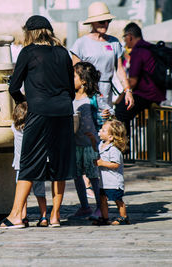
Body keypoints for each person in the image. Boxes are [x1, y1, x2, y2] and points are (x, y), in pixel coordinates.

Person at [0, 15, 76, 229]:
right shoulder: (62, 52)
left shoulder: (28, 52)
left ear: (29, 32)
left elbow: (14, 86)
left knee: (29, 163)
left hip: (39, 111)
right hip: (63, 111)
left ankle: (15, 215)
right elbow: (71, 87)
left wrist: (25, 101)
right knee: (59, 165)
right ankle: (55, 216)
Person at [70, 2, 134, 125]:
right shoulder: (80, 44)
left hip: (106, 94)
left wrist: (128, 91)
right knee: (88, 130)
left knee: (107, 128)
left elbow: (120, 70)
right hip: (87, 95)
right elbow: (75, 75)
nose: (105, 24)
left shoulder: (114, 42)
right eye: (102, 21)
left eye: (108, 21)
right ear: (92, 22)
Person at [115, 22, 166, 138]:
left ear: (130, 36)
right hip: (159, 94)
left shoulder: (138, 52)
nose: (125, 41)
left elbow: (133, 81)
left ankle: (123, 148)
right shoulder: (149, 48)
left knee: (121, 111)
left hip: (146, 95)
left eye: (124, 37)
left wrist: (120, 97)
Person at [72, 62, 103, 220]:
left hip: (91, 144)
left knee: (93, 177)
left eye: (74, 76)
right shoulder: (70, 96)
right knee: (77, 176)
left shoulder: (93, 98)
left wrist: (106, 116)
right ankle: (84, 206)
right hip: (75, 143)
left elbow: (105, 115)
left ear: (83, 80)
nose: (71, 78)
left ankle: (100, 206)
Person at [11, 102, 47, 227]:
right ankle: (43, 217)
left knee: (22, 194)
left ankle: (22, 217)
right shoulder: (34, 128)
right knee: (40, 193)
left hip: (20, 166)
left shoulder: (14, 127)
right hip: (36, 164)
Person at [93, 119, 130, 225]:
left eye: (104, 130)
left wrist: (101, 163)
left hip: (114, 182)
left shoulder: (114, 149)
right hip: (104, 182)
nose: (100, 131)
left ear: (111, 137)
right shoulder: (101, 145)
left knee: (117, 200)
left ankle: (124, 217)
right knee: (102, 199)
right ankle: (105, 218)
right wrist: (91, 139)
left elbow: (115, 164)